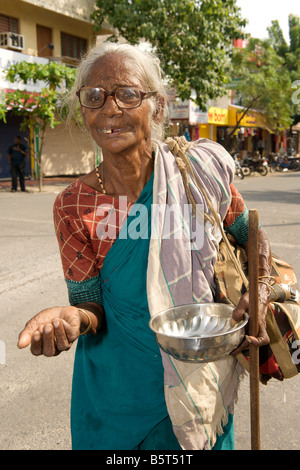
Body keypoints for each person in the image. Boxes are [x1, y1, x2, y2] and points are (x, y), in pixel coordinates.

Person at [17, 43, 272, 451]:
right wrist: (69, 317)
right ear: (83, 111)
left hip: (200, 382)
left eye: (128, 94)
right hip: (118, 398)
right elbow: (91, 307)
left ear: (157, 105)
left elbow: (250, 232)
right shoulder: (73, 204)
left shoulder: (194, 175)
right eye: (95, 97)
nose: (110, 109)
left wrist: (259, 294)